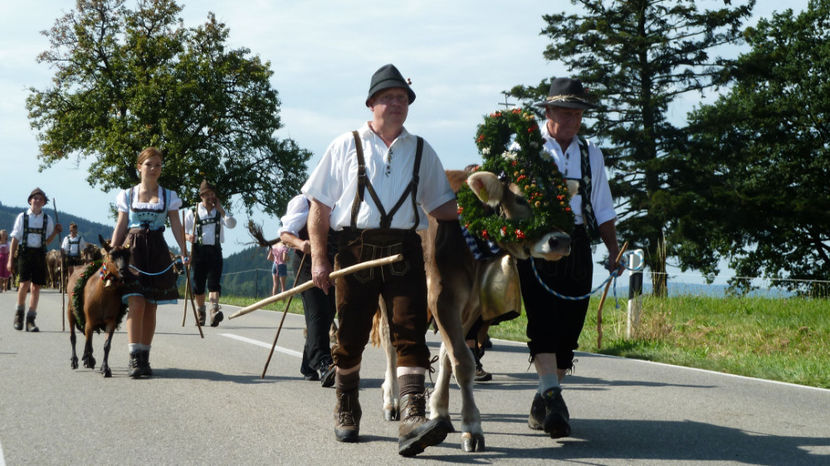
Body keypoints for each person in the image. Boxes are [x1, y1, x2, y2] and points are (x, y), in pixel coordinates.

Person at [303, 63, 458, 457]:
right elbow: (318, 206)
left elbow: (444, 207)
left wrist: (496, 213)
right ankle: (346, 405)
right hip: (354, 248)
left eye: (402, 98)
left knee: (410, 332)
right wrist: (320, 259)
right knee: (351, 335)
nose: (396, 104)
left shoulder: (422, 150)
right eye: (388, 98)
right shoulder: (345, 144)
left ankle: (412, 418)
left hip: (405, 250)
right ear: (371, 103)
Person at [517, 77, 621, 439]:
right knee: (543, 321)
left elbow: (603, 207)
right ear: (548, 111)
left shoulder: (591, 152)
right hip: (538, 242)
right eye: (565, 111)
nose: (573, 119)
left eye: (578, 112)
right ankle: (555, 400)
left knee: (569, 331)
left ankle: (543, 397)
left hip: (576, 243)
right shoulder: (526, 147)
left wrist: (612, 249)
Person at [111, 147, 189, 378]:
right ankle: (134, 356)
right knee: (136, 302)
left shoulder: (169, 196)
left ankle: (145, 356)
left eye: (158, 165)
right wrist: (112, 252)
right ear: (139, 167)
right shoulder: (126, 195)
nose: (154, 169)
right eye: (149, 164)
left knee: (151, 303)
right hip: (133, 249)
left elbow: (176, 226)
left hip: (157, 249)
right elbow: (121, 225)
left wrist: (184, 251)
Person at [278, 194, 337, 387]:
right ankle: (324, 363)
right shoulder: (304, 202)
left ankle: (308, 366)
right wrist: (301, 244)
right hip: (307, 264)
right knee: (318, 313)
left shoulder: (341, 202)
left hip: (333, 264)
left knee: (328, 313)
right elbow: (285, 234)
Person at [7, 188, 62, 331]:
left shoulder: (47, 219)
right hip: (24, 253)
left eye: (40, 199)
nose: (37, 201)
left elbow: (47, 241)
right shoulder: (22, 217)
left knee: (36, 286)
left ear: (43, 203)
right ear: (30, 200)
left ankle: (31, 319)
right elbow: (14, 239)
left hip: (39, 254)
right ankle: (19, 315)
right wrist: (10, 259)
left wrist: (55, 232)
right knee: (24, 284)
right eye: (35, 198)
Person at [184, 179, 236, 327]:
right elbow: (183, 231)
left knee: (214, 283)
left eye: (212, 194)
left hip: (215, 250)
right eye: (207, 194)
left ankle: (214, 312)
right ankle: (201, 313)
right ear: (202, 196)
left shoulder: (219, 212)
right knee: (198, 285)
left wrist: (222, 210)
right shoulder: (193, 212)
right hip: (198, 252)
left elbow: (232, 224)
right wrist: (188, 237)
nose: (211, 197)